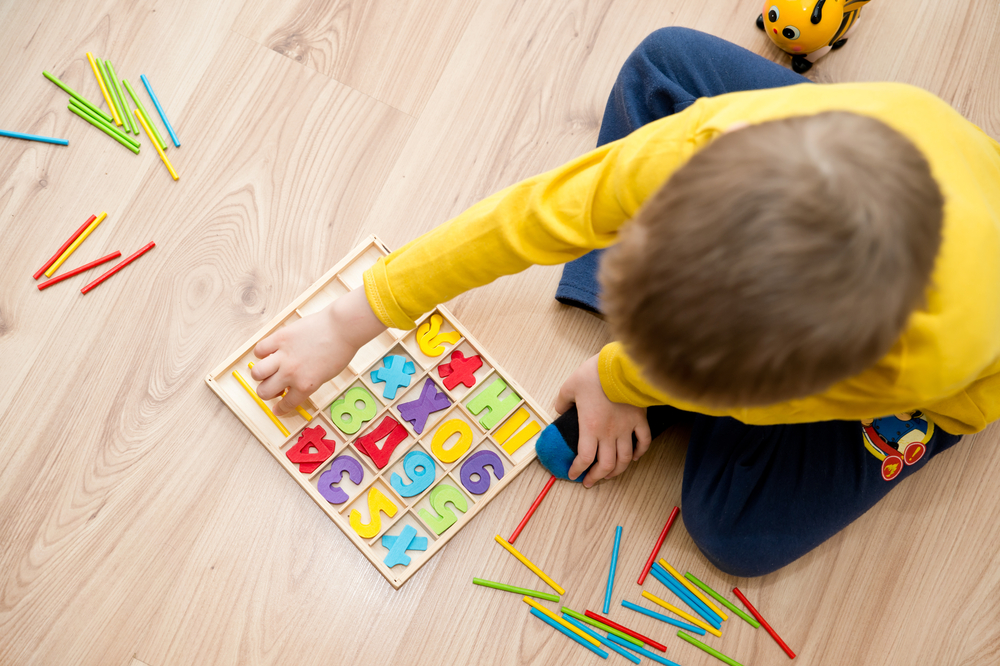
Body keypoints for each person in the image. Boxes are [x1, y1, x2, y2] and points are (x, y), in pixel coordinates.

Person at [249, 28, 1000, 576]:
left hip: (956, 367)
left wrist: (620, 379)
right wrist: (357, 315)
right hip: (882, 157)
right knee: (662, 65)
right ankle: (652, 397)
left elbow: (762, 397)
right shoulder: (707, 143)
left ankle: (650, 401)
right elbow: (534, 215)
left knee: (735, 532)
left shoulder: (913, 353)